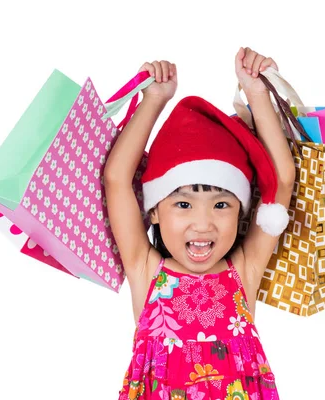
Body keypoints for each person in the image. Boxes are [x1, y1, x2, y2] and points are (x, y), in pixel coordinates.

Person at [105, 47, 295, 400]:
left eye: (221, 204)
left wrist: (256, 93)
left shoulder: (244, 270)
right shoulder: (146, 269)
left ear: (241, 212)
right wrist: (155, 100)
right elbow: (117, 177)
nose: (203, 223)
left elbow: (282, 179)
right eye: (183, 204)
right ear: (154, 211)